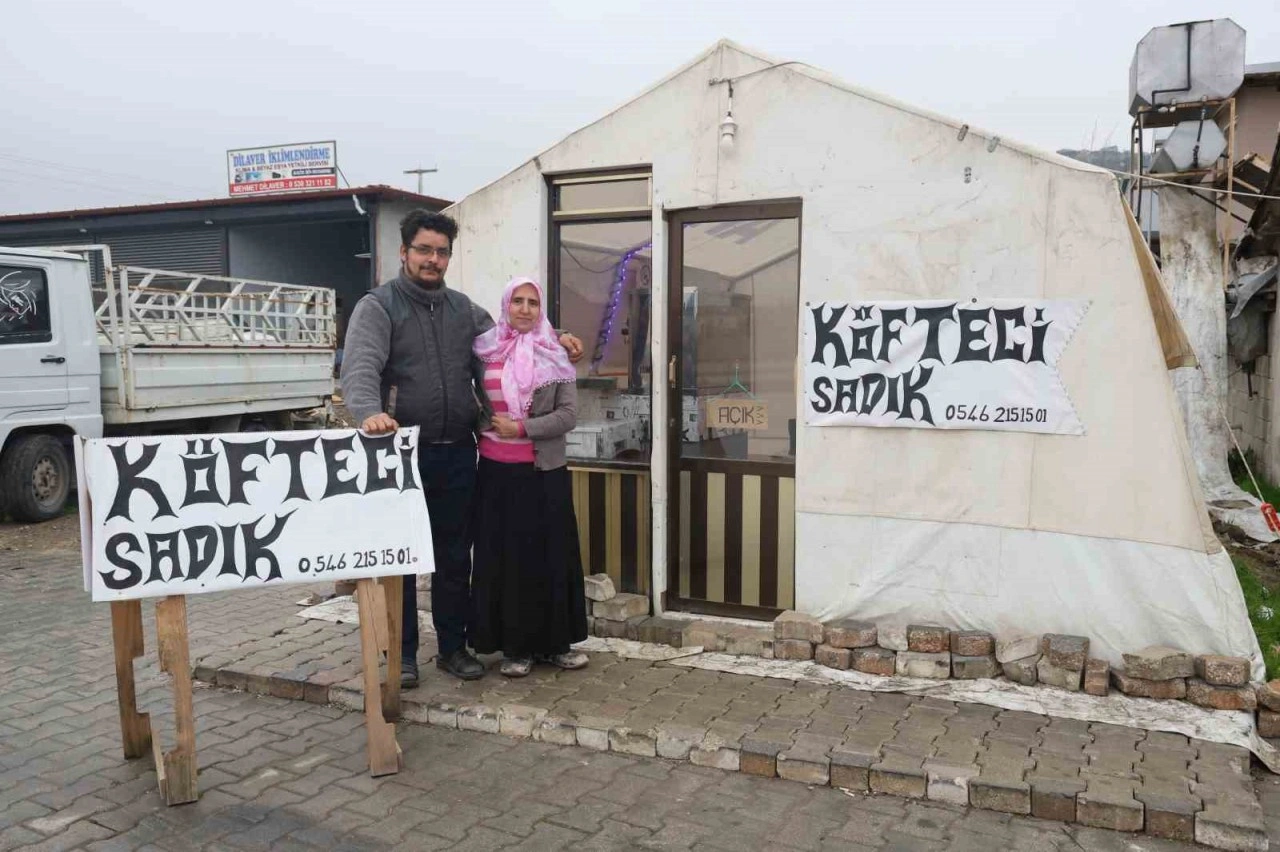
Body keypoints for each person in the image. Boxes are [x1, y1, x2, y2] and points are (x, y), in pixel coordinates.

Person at [340, 210, 581, 686]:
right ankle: (403, 655)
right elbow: (361, 366)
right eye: (424, 250)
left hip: (458, 454)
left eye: (441, 251)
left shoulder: (464, 310)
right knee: (404, 560)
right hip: (401, 453)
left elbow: (514, 338)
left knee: (454, 556)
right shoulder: (379, 306)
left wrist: (560, 337)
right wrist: (369, 411)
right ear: (403, 252)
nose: (433, 259)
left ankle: (452, 648)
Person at [471, 277, 589, 677]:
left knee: (549, 557)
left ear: (542, 312)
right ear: (506, 306)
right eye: (517, 301)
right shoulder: (484, 351)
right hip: (496, 473)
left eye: (533, 303)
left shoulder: (555, 353)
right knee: (507, 561)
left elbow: (568, 417)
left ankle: (556, 644)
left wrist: (521, 429)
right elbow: (468, 398)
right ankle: (514, 648)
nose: (524, 309)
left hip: (543, 473)